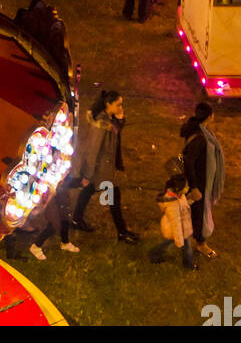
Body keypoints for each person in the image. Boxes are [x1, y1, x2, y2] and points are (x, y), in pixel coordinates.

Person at [70, 89, 138, 243]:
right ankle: (122, 232)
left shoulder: (108, 119)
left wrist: (120, 119)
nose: (121, 107)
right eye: (118, 104)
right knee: (114, 198)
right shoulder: (102, 124)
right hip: (101, 169)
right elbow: (93, 150)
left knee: (89, 191)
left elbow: (116, 131)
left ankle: (76, 219)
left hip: (102, 168)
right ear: (108, 104)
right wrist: (87, 175)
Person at [181, 102, 225, 258]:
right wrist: (194, 188)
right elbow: (189, 161)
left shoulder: (202, 132)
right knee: (199, 214)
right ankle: (201, 244)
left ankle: (194, 241)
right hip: (199, 183)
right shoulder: (200, 138)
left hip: (202, 181)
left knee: (196, 214)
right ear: (210, 116)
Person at [150, 175, 198, 270]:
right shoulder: (173, 205)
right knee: (183, 247)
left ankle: (154, 254)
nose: (188, 188)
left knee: (168, 244)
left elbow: (183, 206)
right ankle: (189, 265)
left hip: (182, 228)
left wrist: (191, 200)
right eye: (186, 186)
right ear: (179, 188)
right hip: (175, 230)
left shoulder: (179, 196)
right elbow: (176, 223)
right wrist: (179, 240)